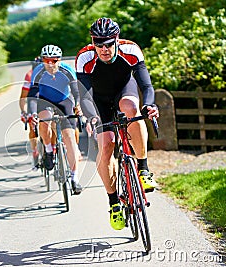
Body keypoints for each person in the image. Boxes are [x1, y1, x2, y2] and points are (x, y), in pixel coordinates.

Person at [75, 18, 159, 230]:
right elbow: (85, 96)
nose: (104, 48)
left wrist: (149, 105)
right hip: (99, 101)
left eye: (109, 43)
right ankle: (113, 203)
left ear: (117, 40)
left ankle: (143, 168)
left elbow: (146, 85)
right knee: (106, 145)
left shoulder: (131, 50)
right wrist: (92, 117)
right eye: (98, 43)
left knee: (132, 109)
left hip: (124, 91)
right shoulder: (84, 58)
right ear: (93, 42)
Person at [27, 44, 83, 195]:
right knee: (44, 120)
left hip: (64, 100)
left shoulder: (67, 70)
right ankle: (49, 149)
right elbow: (32, 96)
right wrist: (32, 113)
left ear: (60, 60)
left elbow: (76, 91)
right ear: (43, 60)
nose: (50, 64)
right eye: (47, 60)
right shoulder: (38, 72)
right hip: (44, 101)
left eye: (54, 60)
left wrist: (78, 104)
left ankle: (74, 178)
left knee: (70, 137)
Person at [19, 57, 42, 170]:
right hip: (33, 102)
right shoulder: (29, 76)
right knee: (33, 128)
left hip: (48, 102)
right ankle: (35, 152)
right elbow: (23, 97)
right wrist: (23, 111)